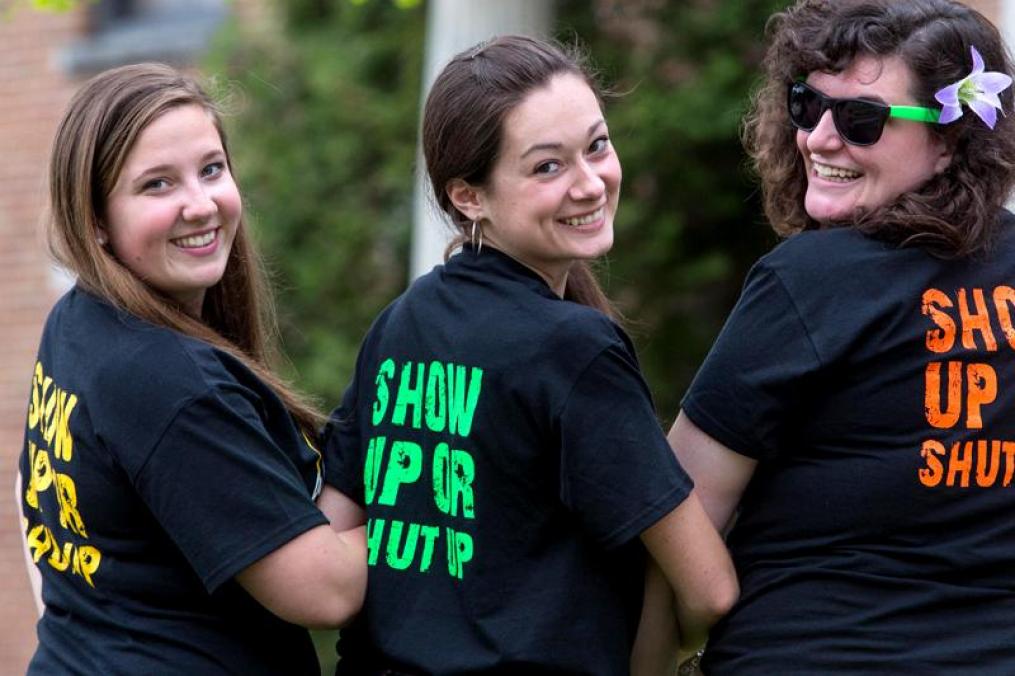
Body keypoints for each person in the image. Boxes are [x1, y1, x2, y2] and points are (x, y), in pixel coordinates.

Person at [317, 35, 737, 675]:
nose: (590, 183)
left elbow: (334, 538)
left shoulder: (399, 325)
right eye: (548, 167)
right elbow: (710, 587)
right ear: (469, 197)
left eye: (596, 146)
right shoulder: (575, 349)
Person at [669, 0, 1015, 672]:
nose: (820, 139)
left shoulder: (806, 280)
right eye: (805, 105)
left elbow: (674, 522)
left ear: (948, 143)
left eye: (861, 120)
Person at [17, 63, 366, 674]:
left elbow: (36, 515)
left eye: (211, 170)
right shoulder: (168, 382)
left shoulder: (77, 323)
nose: (200, 205)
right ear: (94, 219)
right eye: (157, 185)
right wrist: (435, 499)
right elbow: (326, 592)